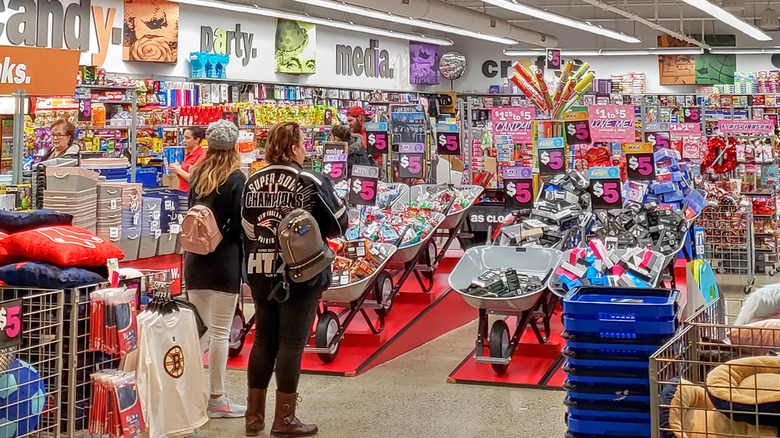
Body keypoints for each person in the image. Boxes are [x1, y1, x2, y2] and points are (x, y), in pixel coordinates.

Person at [242, 121, 347, 437]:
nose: (306, 149)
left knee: (263, 340)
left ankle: (253, 417)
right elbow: (338, 223)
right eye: (303, 143)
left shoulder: (253, 179)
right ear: (293, 147)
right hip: (300, 274)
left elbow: (243, 224)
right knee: (291, 344)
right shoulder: (308, 178)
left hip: (259, 269)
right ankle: (284, 419)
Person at [183, 120, 247, 419]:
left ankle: (186, 392)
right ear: (233, 146)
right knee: (220, 333)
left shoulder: (197, 176)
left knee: (199, 330)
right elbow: (241, 225)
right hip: (225, 261)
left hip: (195, 261)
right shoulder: (236, 179)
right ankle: (218, 399)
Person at [169, 126, 206, 192]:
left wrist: (178, 170)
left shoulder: (201, 156)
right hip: (182, 192)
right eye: (184, 138)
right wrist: (176, 169)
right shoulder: (188, 154)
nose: (184, 141)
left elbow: (194, 179)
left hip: (192, 194)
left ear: (197, 140)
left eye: (187, 138)